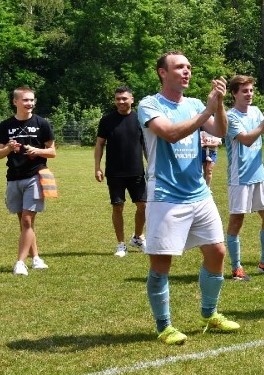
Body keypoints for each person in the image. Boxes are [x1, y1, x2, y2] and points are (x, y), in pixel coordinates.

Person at [138, 51, 239, 346]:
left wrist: (217, 105)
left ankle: (209, 314)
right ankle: (164, 326)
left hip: (199, 193)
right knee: (161, 263)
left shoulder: (195, 104)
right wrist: (207, 112)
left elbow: (221, 131)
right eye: (179, 67)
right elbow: (169, 133)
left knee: (217, 253)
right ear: (162, 72)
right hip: (166, 196)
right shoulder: (150, 104)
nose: (186, 72)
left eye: (189, 67)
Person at [223, 75, 264, 281]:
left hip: (259, 174)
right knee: (236, 222)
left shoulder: (257, 111)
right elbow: (248, 140)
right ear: (234, 93)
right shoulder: (229, 117)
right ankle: (236, 268)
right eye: (244, 91)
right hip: (239, 177)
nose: (249, 94)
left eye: (251, 90)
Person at [0, 86, 56, 276]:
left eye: (32, 100)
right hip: (13, 178)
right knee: (24, 223)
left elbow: (52, 151)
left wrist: (37, 151)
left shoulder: (42, 123)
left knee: (27, 221)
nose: (29, 103)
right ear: (15, 102)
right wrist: (9, 149)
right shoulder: (5, 125)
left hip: (35, 176)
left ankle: (20, 262)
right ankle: (36, 258)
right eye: (25, 100)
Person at [94, 86, 147, 258]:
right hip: (115, 172)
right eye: (118, 99)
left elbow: (146, 145)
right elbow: (100, 144)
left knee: (143, 206)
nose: (121, 102)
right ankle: (121, 244)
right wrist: (97, 167)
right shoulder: (107, 120)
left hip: (137, 171)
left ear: (132, 99)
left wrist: (152, 165)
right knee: (118, 207)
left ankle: (138, 238)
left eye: (124, 98)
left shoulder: (140, 119)